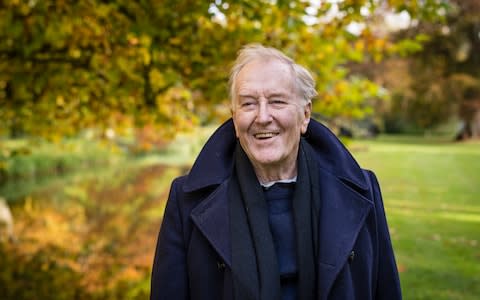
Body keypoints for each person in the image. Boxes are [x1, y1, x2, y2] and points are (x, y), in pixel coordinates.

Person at [150, 44, 402, 300]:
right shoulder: (187, 200)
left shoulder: (363, 190)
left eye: (277, 101)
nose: (262, 117)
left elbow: (386, 290)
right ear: (235, 119)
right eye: (248, 104)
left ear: (305, 115)